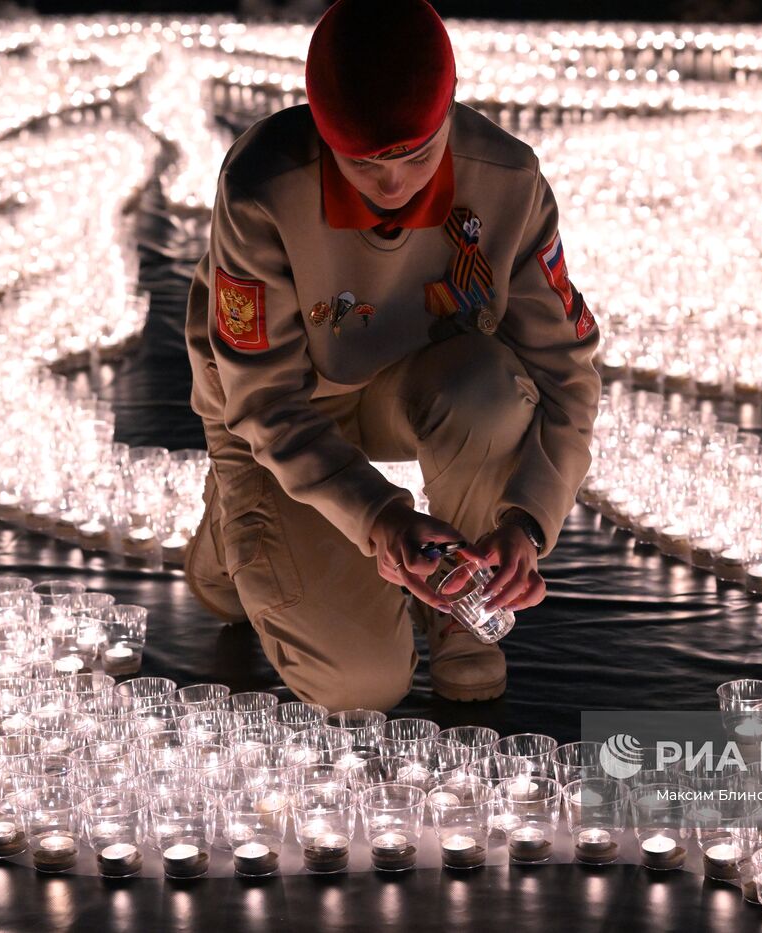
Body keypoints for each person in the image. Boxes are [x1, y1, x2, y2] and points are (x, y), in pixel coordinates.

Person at [184, 0, 602, 711]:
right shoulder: (266, 190)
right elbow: (266, 402)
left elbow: (568, 374)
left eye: (415, 154)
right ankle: (235, 528)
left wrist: (527, 521)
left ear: (448, 114)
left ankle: (459, 604)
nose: (391, 187)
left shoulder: (506, 182)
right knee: (360, 686)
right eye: (362, 164)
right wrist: (379, 518)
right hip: (280, 412)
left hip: (411, 384)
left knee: (489, 388)